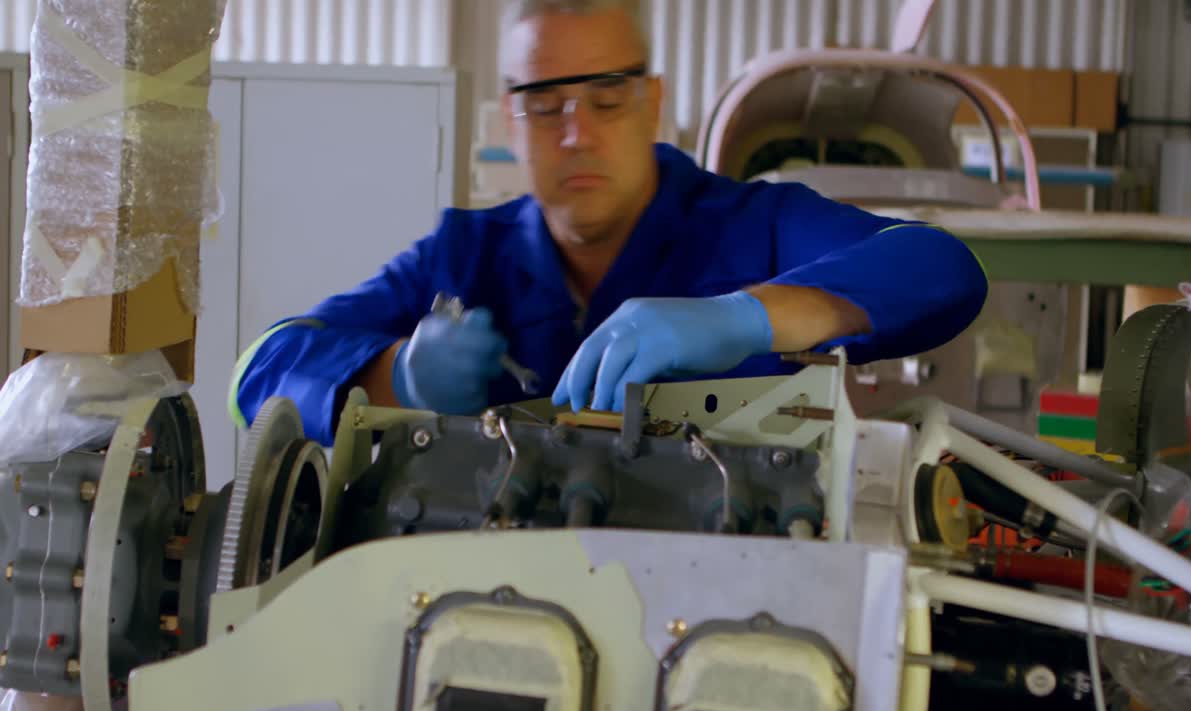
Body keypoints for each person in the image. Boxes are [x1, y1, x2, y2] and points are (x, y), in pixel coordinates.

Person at [229, 0, 989, 446]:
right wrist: (396, 375)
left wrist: (747, 318)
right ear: (511, 118)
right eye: (545, 104)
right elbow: (255, 373)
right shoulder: (461, 258)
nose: (576, 133)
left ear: (653, 102)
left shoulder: (751, 225)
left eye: (606, 96)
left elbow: (942, 268)